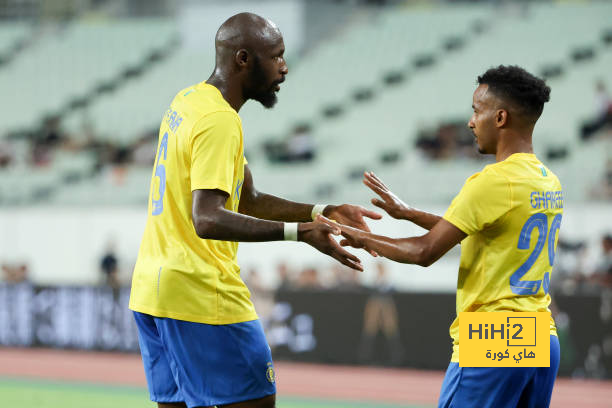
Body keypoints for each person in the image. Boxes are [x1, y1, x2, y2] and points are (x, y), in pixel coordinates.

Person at [128, 12, 380, 408]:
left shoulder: (189, 101)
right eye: (276, 56)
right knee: (256, 400)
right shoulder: (219, 121)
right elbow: (207, 218)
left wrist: (320, 212)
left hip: (153, 291)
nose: (284, 67)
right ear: (243, 59)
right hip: (201, 293)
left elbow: (246, 198)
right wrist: (300, 234)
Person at [324, 65, 562, 408]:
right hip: (540, 333)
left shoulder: (492, 181)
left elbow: (424, 252)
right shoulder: (546, 181)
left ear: (500, 118)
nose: (470, 122)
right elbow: (486, 234)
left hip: (493, 336)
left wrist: (361, 238)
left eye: (476, 111)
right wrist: (410, 214)